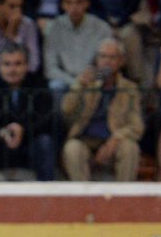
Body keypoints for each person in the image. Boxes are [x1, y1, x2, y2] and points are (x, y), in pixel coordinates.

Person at [61, 37, 144, 183]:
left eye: (112, 57)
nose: (107, 61)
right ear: (97, 59)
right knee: (72, 148)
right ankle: (84, 195)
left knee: (130, 147)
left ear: (121, 61)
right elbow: (66, 110)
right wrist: (79, 85)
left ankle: (124, 195)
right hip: (86, 140)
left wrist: (115, 140)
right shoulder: (87, 82)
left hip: (115, 140)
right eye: (103, 56)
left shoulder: (130, 88)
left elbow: (136, 126)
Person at [0, 42, 56, 181]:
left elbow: (48, 119)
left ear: (26, 65)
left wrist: (23, 130)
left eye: (18, 64)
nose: (12, 70)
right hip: (0, 146)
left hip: (29, 145)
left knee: (45, 142)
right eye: (7, 64)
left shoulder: (40, 85)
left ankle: (48, 191)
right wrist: (1, 132)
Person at [43, 0, 112, 94]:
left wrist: (94, 76)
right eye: (69, 2)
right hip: (66, 81)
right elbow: (50, 69)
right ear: (63, 5)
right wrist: (75, 82)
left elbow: (108, 68)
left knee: (105, 83)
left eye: (78, 2)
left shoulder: (102, 28)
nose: (74, 7)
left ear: (87, 3)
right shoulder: (53, 27)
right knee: (56, 85)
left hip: (93, 80)